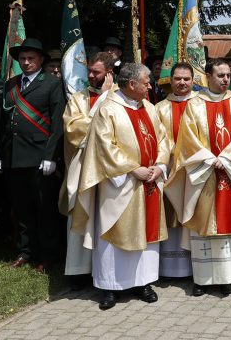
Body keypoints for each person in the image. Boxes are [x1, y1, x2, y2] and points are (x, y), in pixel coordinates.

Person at [72, 63, 168, 310]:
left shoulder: (150, 107)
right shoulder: (108, 108)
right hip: (120, 185)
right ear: (131, 84)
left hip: (149, 182)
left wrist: (159, 166)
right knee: (113, 235)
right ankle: (109, 287)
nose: (150, 85)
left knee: (146, 233)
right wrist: (132, 169)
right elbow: (104, 146)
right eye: (146, 82)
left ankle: (143, 283)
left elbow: (164, 139)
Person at [169, 58, 231, 296]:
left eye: (228, 75)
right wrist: (209, 159)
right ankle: (203, 280)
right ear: (208, 77)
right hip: (204, 173)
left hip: (229, 171)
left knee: (229, 223)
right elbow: (187, 139)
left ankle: (228, 277)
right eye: (220, 75)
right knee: (204, 225)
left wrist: (226, 158)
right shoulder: (195, 105)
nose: (226, 79)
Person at [0, 38, 66, 272]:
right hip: (13, 156)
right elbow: (2, 124)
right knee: (22, 209)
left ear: (41, 60)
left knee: (44, 209)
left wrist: (51, 156)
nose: (26, 62)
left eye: (31, 58)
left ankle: (48, 255)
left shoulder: (52, 84)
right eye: (22, 59)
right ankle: (26, 251)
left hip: (39, 157)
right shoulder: (11, 84)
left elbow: (57, 124)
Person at [61, 52, 115, 285]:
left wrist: (107, 97)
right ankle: (79, 270)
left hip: (111, 168)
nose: (91, 76)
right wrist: (102, 101)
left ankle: (107, 270)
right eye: (90, 71)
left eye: (97, 72)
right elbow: (73, 129)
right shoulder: (78, 99)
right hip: (84, 167)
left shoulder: (120, 98)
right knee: (81, 210)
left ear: (109, 74)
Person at [155, 63, 197, 280]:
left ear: (193, 80)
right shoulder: (160, 108)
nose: (182, 83)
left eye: (186, 79)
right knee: (171, 215)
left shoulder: (201, 104)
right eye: (178, 79)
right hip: (170, 170)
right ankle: (170, 269)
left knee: (193, 213)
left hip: (196, 170)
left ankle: (194, 266)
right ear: (170, 81)